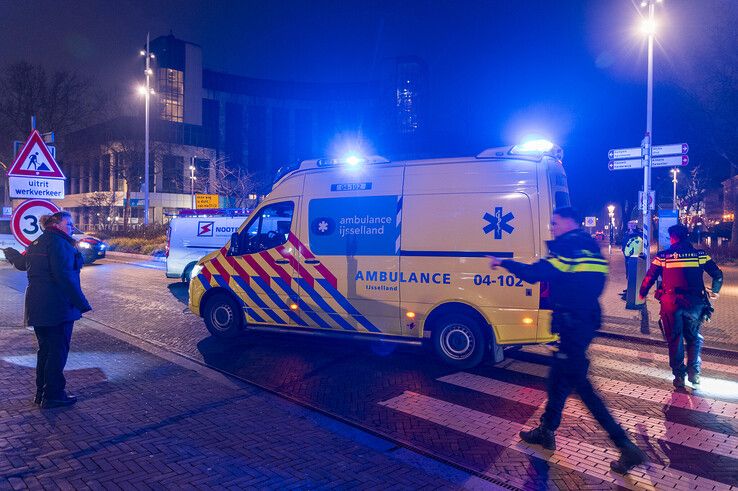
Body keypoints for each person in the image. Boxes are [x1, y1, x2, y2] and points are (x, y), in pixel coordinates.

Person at [489, 207, 646, 474]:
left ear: (569, 221)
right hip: (585, 319)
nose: (552, 227)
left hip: (572, 323)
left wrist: (502, 262)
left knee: (582, 388)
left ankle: (625, 446)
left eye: (555, 222)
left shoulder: (567, 247)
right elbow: (597, 283)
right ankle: (547, 430)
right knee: (557, 380)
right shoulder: (590, 247)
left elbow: (535, 274)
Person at [3, 211, 92, 409]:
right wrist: (82, 303)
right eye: (69, 224)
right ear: (58, 224)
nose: (71, 228)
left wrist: (11, 253)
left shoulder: (38, 242)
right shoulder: (60, 244)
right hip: (57, 307)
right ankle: (53, 395)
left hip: (37, 306)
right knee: (57, 351)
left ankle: (41, 393)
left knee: (45, 350)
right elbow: (64, 276)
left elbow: (22, 264)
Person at [639, 224, 722, 388]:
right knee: (694, 338)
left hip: (671, 304)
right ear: (686, 236)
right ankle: (694, 373)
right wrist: (715, 292)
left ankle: (679, 377)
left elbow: (649, 278)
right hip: (694, 304)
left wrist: (642, 294)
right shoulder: (699, 255)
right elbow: (718, 275)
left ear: (673, 238)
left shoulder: (663, 256)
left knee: (675, 340)